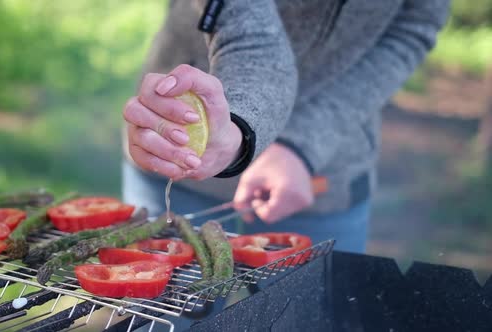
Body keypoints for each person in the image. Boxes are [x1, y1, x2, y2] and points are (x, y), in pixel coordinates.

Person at [121, 0, 450, 253]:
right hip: (180, 145)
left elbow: (413, 27)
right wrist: (238, 127)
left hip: (328, 165)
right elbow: (250, 37)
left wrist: (301, 144)